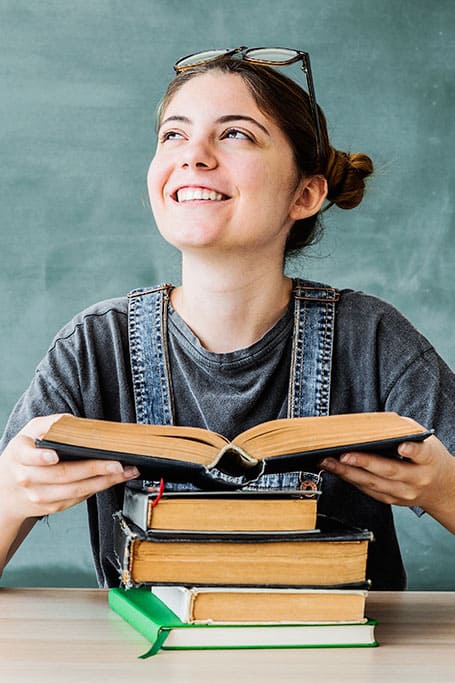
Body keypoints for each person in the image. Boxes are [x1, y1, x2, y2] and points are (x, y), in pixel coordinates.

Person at [0, 47, 454, 590]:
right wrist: (8, 495)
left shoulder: (374, 339)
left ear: (305, 194)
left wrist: (443, 488)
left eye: (235, 134)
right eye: (173, 134)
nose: (194, 156)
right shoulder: (95, 345)